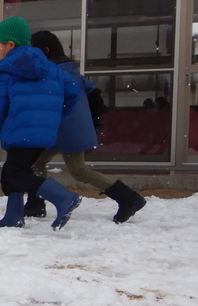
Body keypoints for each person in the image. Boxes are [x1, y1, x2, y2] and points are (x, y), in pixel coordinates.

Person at [25, 30, 147, 224]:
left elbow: (47, 102)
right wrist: (94, 120)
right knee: (36, 164)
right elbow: (95, 95)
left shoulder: (54, 73)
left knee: (79, 171)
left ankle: (129, 198)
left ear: (46, 51)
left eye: (35, 51)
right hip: (67, 129)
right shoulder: (69, 70)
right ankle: (35, 203)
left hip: (66, 131)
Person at [0, 16, 83, 230]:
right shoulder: (52, 68)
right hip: (43, 134)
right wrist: (53, 116)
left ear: (10, 45)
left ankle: (64, 198)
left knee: (16, 174)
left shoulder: (5, 70)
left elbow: (0, 106)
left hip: (20, 131)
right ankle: (13, 216)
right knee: (11, 174)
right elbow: (73, 91)